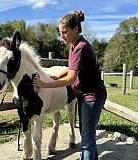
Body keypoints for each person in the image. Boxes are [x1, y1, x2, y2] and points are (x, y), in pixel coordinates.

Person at [33, 11, 107, 160]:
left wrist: (44, 83)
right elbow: (71, 68)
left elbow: (71, 79)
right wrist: (57, 75)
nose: (61, 36)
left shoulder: (80, 48)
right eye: (60, 32)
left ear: (75, 29)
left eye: (64, 32)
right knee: (88, 135)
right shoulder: (74, 45)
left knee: (86, 140)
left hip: (91, 97)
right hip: (86, 96)